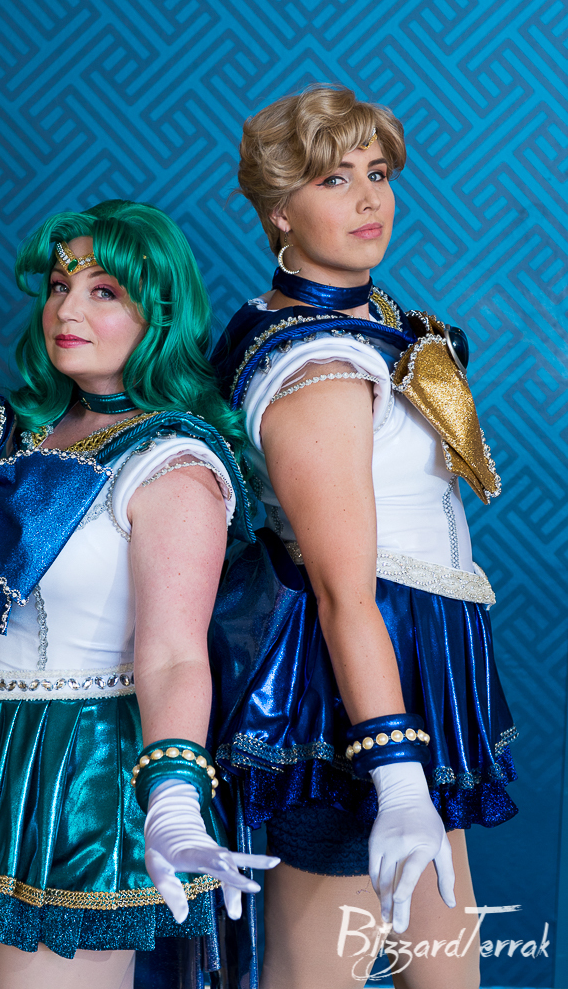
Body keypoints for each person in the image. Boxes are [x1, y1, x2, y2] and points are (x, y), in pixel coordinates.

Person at [0, 199, 277, 989]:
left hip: (88, 768)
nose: (67, 310)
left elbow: (175, 652)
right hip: (8, 745)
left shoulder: (172, 465)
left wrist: (172, 791)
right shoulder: (27, 431)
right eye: (58, 285)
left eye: (104, 290)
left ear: (160, 312)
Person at [209, 85, 517, 989]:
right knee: (321, 968)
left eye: (377, 173)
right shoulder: (321, 364)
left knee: (445, 960)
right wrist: (394, 770)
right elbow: (345, 590)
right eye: (334, 179)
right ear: (279, 210)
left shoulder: (368, 323)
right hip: (352, 682)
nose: (369, 199)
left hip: (422, 658)